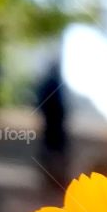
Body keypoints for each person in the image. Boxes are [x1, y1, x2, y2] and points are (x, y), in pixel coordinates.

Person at [35, 63, 68, 193]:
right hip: (54, 122)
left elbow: (40, 103)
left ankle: (52, 178)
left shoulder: (50, 83)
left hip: (52, 122)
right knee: (56, 150)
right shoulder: (55, 84)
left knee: (51, 149)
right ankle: (53, 178)